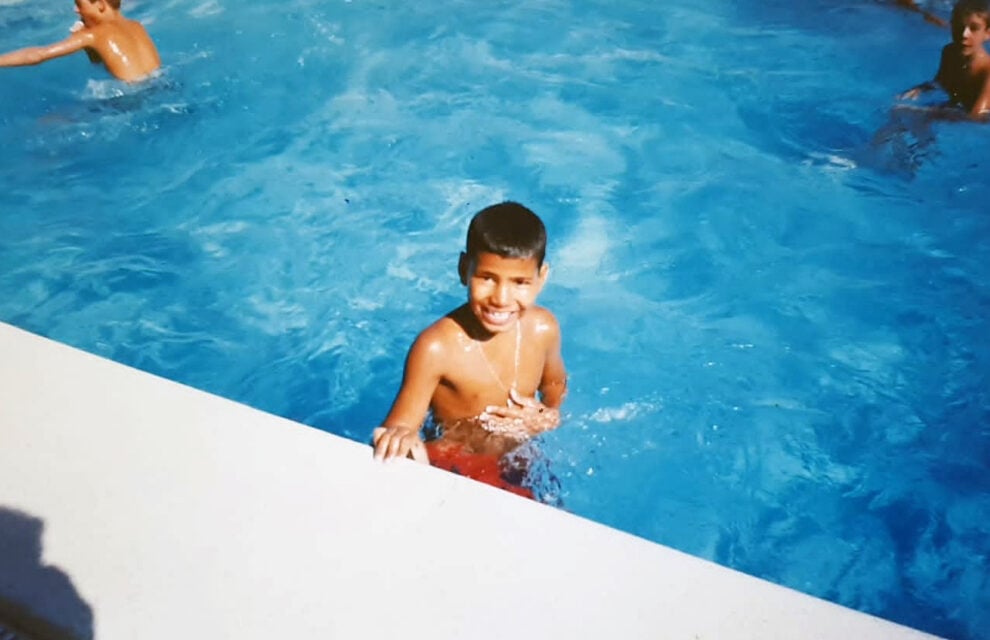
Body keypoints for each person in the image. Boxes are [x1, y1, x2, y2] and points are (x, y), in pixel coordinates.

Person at [372, 201, 568, 499]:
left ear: (542, 277)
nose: (501, 298)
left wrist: (548, 414)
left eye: (520, 282)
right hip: (453, 462)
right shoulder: (437, 348)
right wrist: (400, 434)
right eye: (487, 278)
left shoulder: (544, 330)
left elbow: (555, 386)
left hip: (517, 458)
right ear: (465, 269)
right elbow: (400, 425)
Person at [0, 0, 160, 83]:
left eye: (79, 3)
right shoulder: (136, 25)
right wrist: (88, 47)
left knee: (49, 123)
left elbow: (37, 55)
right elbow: (102, 62)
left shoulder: (93, 35)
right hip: (160, 84)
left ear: (100, 4)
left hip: (131, 100)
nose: (75, 10)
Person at [899, 0, 990, 116]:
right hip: (959, 111)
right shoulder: (950, 52)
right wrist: (921, 89)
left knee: (910, 114)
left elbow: (976, 117)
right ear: (951, 26)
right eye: (959, 26)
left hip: (980, 122)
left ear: (987, 33)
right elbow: (941, 82)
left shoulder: (987, 71)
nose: (964, 34)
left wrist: (926, 113)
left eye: (974, 28)